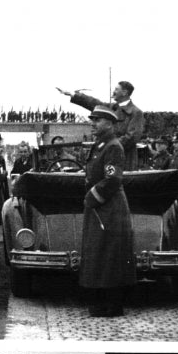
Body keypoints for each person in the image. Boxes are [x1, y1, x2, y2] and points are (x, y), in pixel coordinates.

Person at [79, 105, 136, 317]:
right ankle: (102, 302)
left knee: (110, 255)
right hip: (100, 206)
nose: (93, 123)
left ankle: (113, 305)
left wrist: (91, 198)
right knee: (99, 254)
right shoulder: (101, 145)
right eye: (92, 120)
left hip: (109, 207)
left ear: (110, 123)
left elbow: (112, 178)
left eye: (97, 120)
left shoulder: (113, 146)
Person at [58, 81, 144, 170]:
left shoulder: (136, 113)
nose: (113, 91)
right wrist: (74, 95)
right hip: (107, 155)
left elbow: (132, 137)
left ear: (124, 92)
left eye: (116, 89)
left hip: (124, 158)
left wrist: (110, 144)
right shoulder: (113, 107)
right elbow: (94, 103)